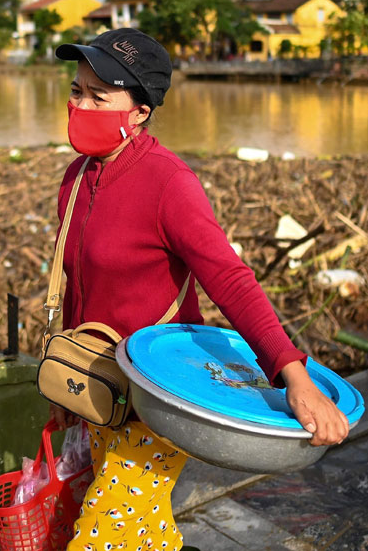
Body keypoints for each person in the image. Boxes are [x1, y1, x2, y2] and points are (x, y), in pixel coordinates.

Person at [50, 28, 348, 551]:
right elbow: (79, 283)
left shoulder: (170, 185)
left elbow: (231, 280)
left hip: (155, 396)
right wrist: (66, 379)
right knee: (140, 529)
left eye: (100, 97)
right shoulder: (77, 177)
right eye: (77, 91)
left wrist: (292, 373)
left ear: (139, 112)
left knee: (103, 536)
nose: (81, 105)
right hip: (98, 387)